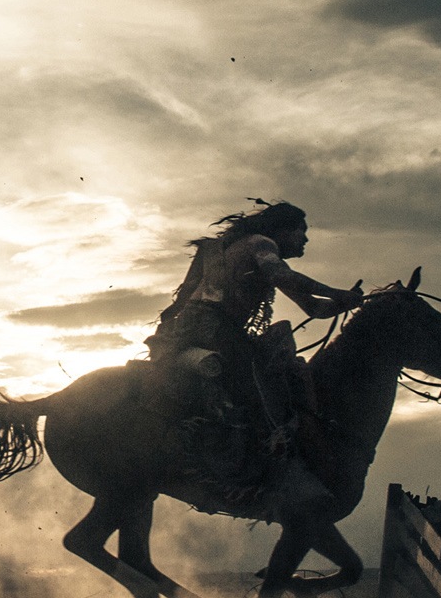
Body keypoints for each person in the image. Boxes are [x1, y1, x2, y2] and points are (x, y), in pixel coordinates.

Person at [146, 200, 362, 503]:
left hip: (194, 328)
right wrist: (336, 292)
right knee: (265, 386)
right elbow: (281, 276)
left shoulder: (223, 251)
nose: (305, 240)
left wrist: (341, 304)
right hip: (217, 329)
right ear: (283, 230)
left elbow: (312, 307)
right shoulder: (262, 244)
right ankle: (258, 467)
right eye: (302, 232)